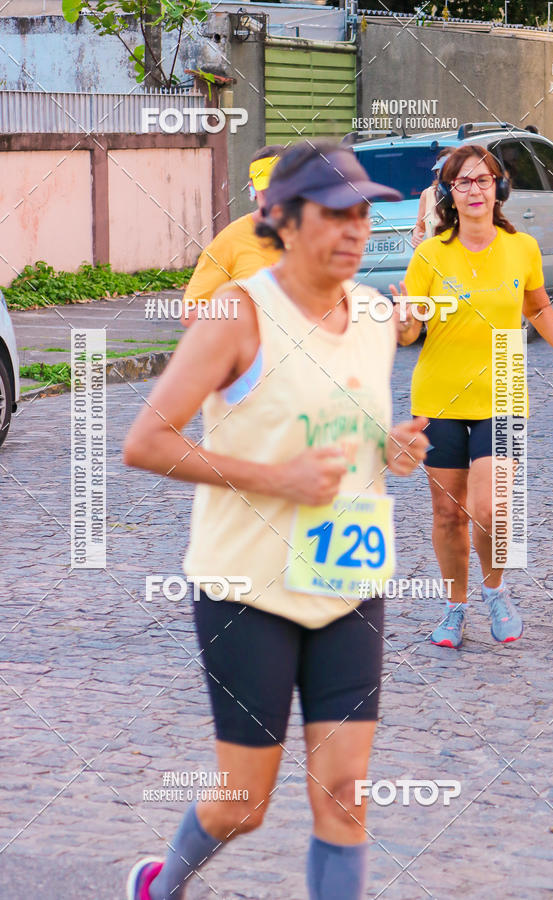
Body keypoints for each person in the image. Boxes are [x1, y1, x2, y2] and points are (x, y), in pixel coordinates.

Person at [124, 140, 429, 900]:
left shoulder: (374, 316)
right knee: (243, 804)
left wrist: (389, 449)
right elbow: (146, 442)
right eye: (335, 213)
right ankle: (160, 885)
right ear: (283, 222)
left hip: (349, 575)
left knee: (345, 788)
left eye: (364, 212)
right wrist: (276, 478)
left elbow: (340, 423)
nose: (357, 229)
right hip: (246, 587)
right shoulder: (238, 314)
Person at [397, 144, 553, 649]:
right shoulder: (431, 255)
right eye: (463, 182)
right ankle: (455, 606)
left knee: (492, 509)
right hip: (438, 396)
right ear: (449, 194)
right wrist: (404, 319)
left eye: (483, 180)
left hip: (502, 387)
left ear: (498, 188)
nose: (474, 189)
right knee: (447, 513)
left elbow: (538, 305)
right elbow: (411, 335)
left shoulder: (519, 248)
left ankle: (495, 590)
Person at [180, 144, 284, 327]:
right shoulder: (230, 240)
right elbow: (191, 313)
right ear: (252, 191)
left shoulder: (320, 236)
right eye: (267, 191)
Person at [411, 147, 451, 248]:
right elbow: (420, 225)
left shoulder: (466, 194)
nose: (443, 174)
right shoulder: (428, 194)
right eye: (440, 170)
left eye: (449, 169)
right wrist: (416, 235)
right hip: (435, 258)